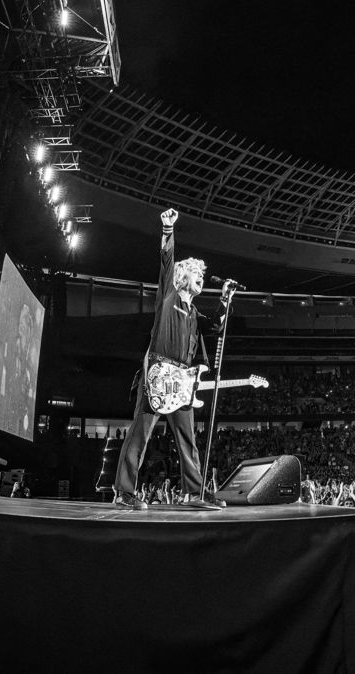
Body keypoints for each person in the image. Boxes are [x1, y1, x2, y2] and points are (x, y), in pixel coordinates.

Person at [112, 208, 232, 509]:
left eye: (203, 275)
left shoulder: (193, 313)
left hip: (181, 382)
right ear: (183, 276)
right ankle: (124, 492)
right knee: (140, 433)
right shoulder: (169, 295)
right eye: (197, 273)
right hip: (157, 373)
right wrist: (168, 231)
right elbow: (166, 262)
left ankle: (192, 493)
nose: (201, 277)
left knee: (188, 439)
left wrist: (225, 300)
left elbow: (216, 325)